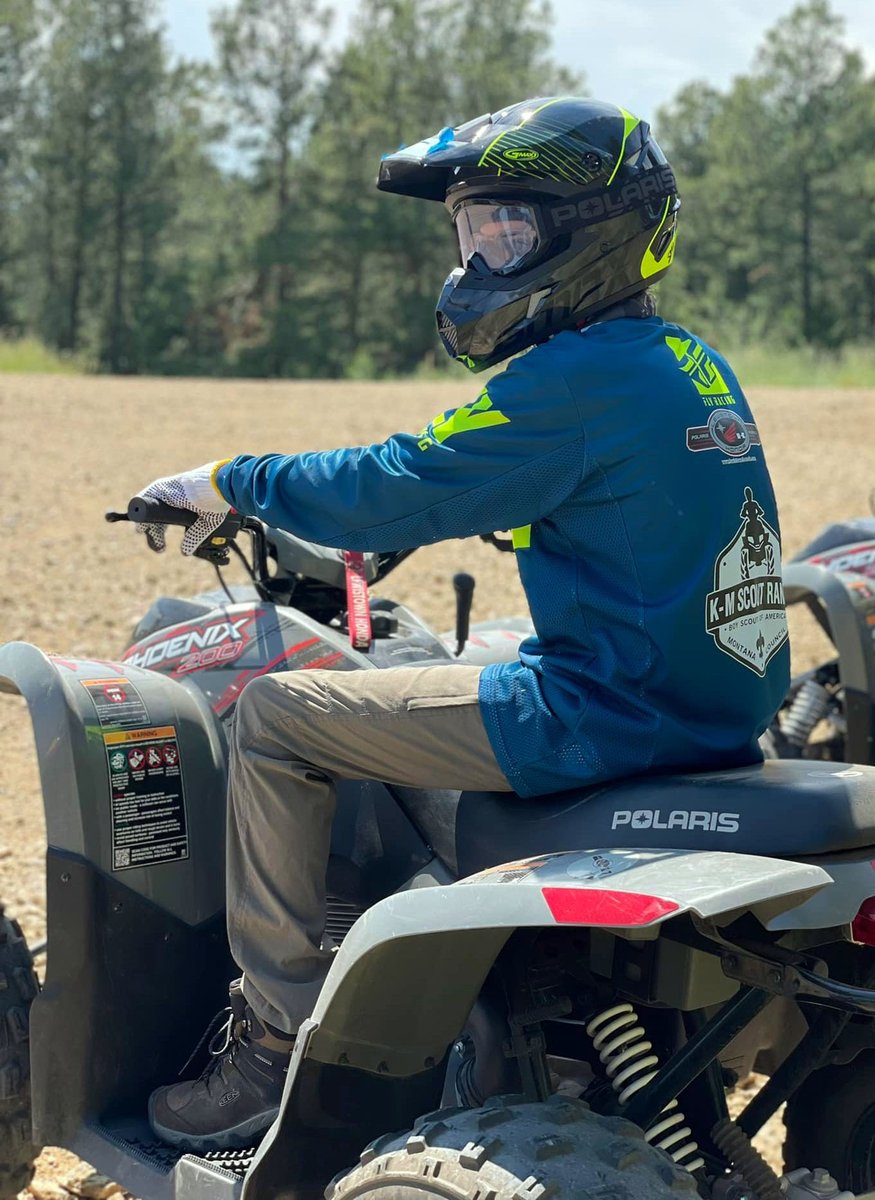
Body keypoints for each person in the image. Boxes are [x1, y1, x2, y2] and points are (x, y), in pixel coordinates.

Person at [140, 97, 790, 1151]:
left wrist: (229, 480)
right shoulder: (683, 360)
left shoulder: (566, 381)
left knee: (274, 718)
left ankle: (273, 1037)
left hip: (604, 716)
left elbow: (396, 484)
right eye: (471, 229)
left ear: (595, 229)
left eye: (509, 228)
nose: (482, 253)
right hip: (703, 707)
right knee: (479, 650)